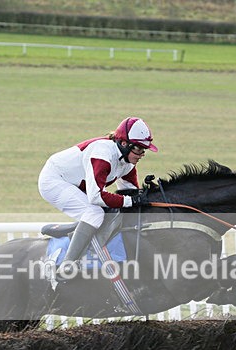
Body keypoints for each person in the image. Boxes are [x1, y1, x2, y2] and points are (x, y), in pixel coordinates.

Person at [38, 117, 157, 280]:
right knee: (95, 212)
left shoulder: (127, 162)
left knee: (108, 210)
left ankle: (79, 236)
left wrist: (148, 194)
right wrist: (130, 201)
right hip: (54, 180)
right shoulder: (103, 154)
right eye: (139, 149)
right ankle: (67, 265)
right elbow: (96, 196)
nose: (142, 154)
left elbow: (130, 193)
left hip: (74, 184)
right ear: (124, 144)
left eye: (145, 150)